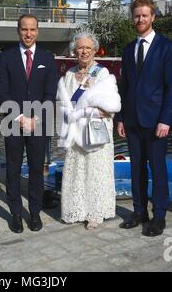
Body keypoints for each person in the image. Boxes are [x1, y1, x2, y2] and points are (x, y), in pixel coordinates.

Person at [116, 0, 172, 237]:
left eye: (144, 15)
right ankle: (139, 212)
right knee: (136, 169)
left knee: (158, 168)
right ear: (132, 18)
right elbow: (124, 87)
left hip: (156, 122)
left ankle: (159, 216)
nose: (140, 19)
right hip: (132, 120)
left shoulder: (167, 47)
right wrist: (121, 118)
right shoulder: (128, 49)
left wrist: (166, 119)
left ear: (153, 17)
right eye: (136, 15)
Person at [0, 14, 59, 233]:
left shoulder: (47, 58)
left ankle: (34, 213)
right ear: (18, 30)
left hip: (39, 124)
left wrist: (37, 119)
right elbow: (2, 94)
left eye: (32, 29)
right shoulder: (6, 57)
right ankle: (15, 214)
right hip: (14, 123)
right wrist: (21, 118)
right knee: (12, 170)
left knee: (35, 170)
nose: (28, 34)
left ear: (38, 31)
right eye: (24, 29)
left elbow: (51, 94)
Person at [57, 31, 121, 230]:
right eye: (80, 48)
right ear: (74, 51)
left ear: (94, 50)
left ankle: (95, 213)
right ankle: (77, 209)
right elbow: (63, 103)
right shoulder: (68, 74)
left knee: (95, 171)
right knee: (77, 171)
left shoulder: (101, 74)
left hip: (94, 132)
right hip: (75, 132)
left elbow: (109, 107)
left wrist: (85, 112)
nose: (84, 52)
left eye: (87, 48)